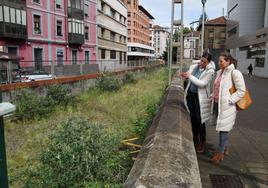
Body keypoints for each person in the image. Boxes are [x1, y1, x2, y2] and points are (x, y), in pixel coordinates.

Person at [210, 53, 246, 164]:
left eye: (221, 61)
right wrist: (213, 95)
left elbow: (241, 90)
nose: (219, 63)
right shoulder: (219, 72)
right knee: (221, 126)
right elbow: (218, 87)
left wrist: (230, 100)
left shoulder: (235, 73)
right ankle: (225, 148)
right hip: (217, 103)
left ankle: (220, 153)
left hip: (227, 105)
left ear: (228, 61)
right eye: (219, 61)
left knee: (223, 129)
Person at [180, 53, 215, 153]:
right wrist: (186, 76)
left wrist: (190, 76)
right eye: (201, 60)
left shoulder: (210, 71)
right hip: (191, 95)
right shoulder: (195, 67)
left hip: (200, 98)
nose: (202, 63)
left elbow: (202, 84)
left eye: (204, 62)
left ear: (208, 62)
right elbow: (189, 76)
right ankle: (195, 139)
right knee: (193, 118)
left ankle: (202, 142)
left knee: (200, 120)